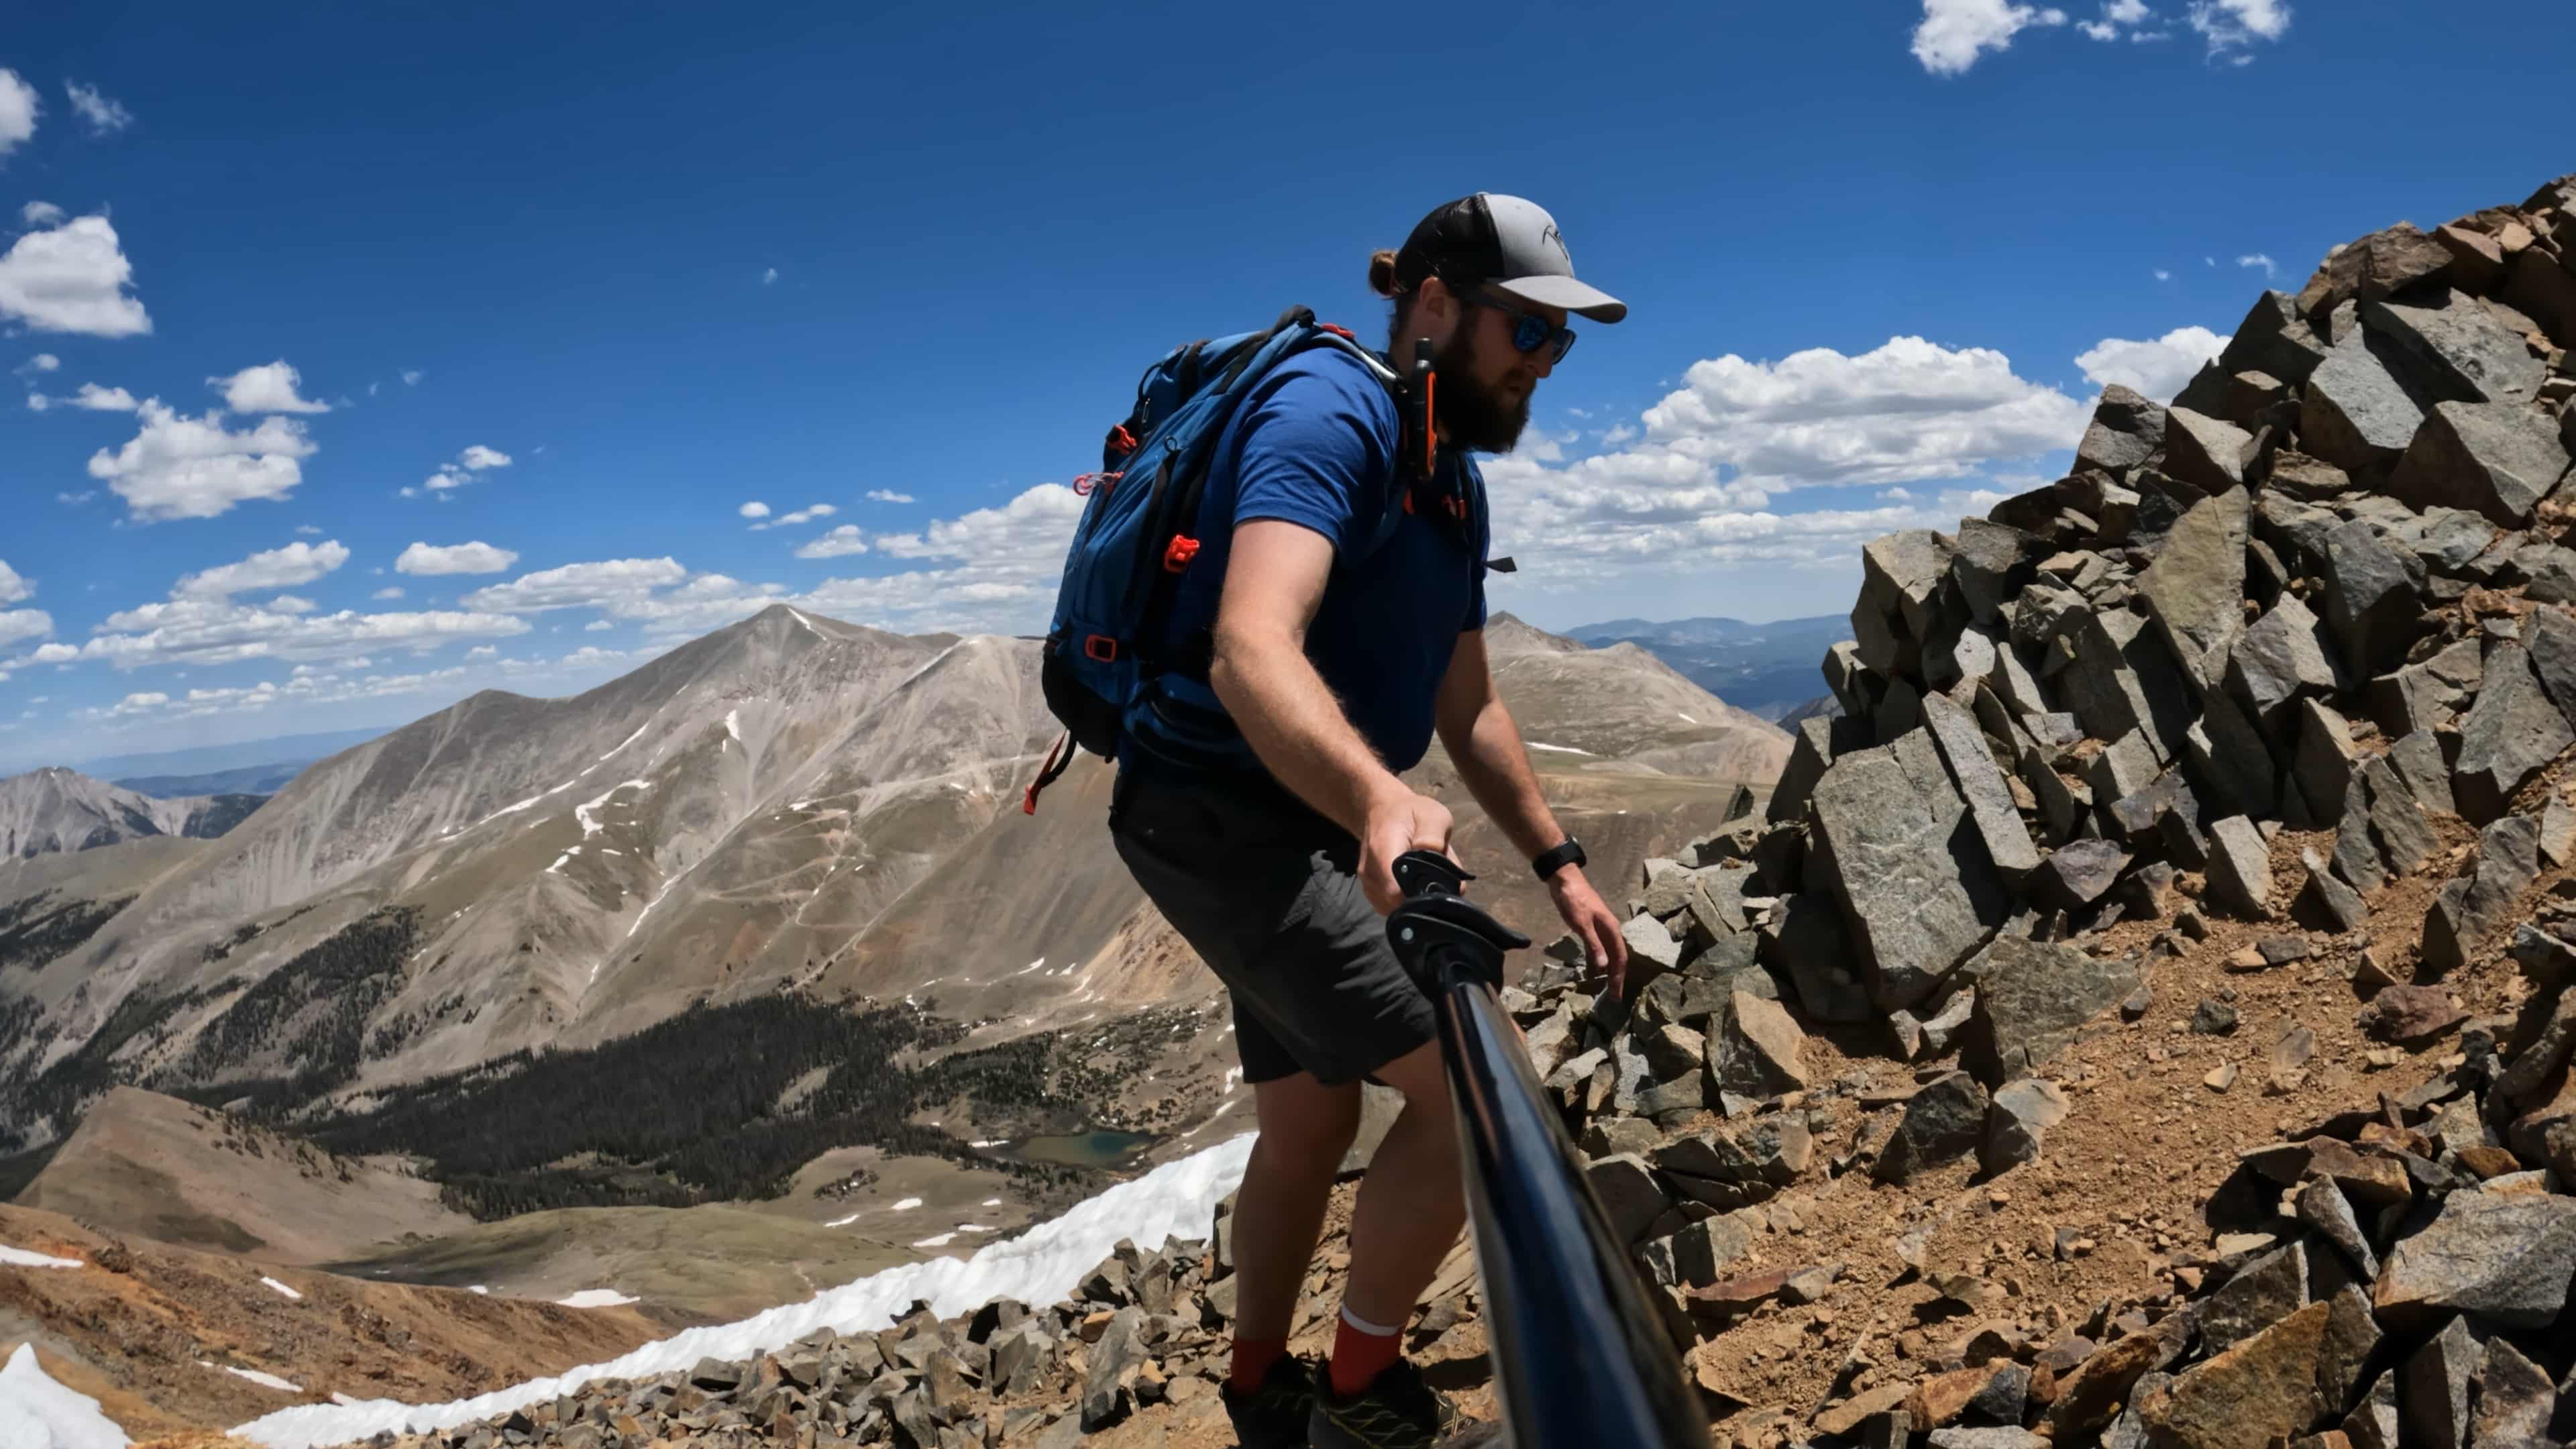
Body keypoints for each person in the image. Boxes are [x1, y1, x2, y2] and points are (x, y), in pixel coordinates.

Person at [1106, 193, 1633, 1449]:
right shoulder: (1328, 413)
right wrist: (1380, 800)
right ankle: (1353, 1399)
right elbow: (1250, 647)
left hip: (1260, 818)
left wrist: (1560, 864)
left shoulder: (1448, 475)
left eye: (1565, 343)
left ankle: (1255, 1389)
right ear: (1438, 305)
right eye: (1529, 331)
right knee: (1466, 1086)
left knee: (1311, 1119)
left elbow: (1472, 707)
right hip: (1229, 819)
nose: (1546, 364)